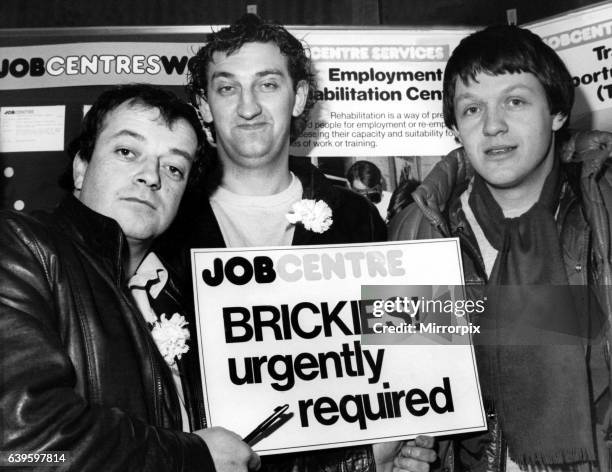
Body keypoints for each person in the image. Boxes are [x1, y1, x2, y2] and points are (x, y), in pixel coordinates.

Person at [158, 14, 436, 472]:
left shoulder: (356, 217)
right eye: (227, 88)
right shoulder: (166, 220)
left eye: (267, 84)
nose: (248, 107)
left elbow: (403, 353)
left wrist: (400, 444)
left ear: (299, 96)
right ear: (204, 105)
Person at [0, 84, 260, 472]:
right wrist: (189, 458)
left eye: (174, 168)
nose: (151, 177)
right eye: (126, 152)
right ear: (81, 167)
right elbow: (20, 445)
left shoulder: (182, 293)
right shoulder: (19, 245)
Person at [389, 25, 612, 471]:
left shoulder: (605, 209)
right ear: (455, 128)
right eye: (472, 109)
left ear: (557, 113)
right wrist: (410, 454)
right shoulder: (418, 228)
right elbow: (406, 374)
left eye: (515, 101)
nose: (492, 125)